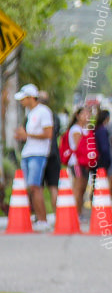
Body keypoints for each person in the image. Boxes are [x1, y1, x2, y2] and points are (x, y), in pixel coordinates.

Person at [14, 84, 54, 232]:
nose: (22, 102)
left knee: (35, 187)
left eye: (24, 99)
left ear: (31, 97)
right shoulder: (29, 113)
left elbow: (48, 134)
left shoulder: (43, 111)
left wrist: (27, 135)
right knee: (31, 188)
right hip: (28, 153)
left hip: (38, 154)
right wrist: (21, 136)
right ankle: (37, 217)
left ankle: (43, 220)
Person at [39, 91, 62, 214]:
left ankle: (43, 217)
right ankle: (54, 216)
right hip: (51, 153)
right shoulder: (53, 115)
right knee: (52, 187)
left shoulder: (36, 114)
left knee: (40, 188)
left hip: (42, 154)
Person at [66, 107, 91, 219]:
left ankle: (79, 213)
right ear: (77, 116)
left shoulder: (85, 129)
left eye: (88, 114)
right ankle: (75, 214)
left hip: (84, 163)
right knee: (78, 188)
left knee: (82, 189)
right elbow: (79, 147)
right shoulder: (76, 129)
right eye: (84, 114)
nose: (86, 116)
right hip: (76, 163)